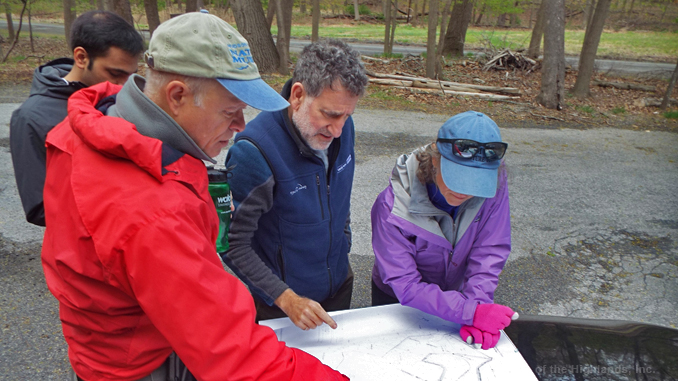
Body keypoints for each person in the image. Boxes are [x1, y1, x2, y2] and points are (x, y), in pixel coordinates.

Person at [42, 13, 347, 381]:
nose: (241, 127)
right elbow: (233, 354)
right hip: (143, 362)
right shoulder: (153, 212)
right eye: (231, 111)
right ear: (177, 95)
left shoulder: (95, 123)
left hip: (108, 341)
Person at [224, 39, 368, 330]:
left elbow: (339, 194)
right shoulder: (254, 150)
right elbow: (233, 243)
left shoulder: (341, 130)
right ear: (298, 95)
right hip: (280, 307)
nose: (339, 129)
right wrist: (285, 298)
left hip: (338, 286)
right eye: (329, 115)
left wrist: (343, 241)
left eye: (347, 115)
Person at [370, 111, 518, 350]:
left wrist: (478, 305)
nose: (464, 191)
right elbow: (405, 284)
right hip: (398, 299)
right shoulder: (391, 205)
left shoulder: (494, 183)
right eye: (457, 178)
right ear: (435, 160)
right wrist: (470, 312)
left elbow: (489, 250)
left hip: (457, 294)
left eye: (476, 183)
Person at [10, 10, 143, 226]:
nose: (124, 86)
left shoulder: (126, 99)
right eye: (115, 74)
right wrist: (119, 199)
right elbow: (40, 208)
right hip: (86, 247)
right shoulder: (31, 117)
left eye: (131, 74)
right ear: (81, 57)